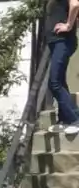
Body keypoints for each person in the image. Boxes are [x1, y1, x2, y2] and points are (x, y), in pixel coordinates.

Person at [49, 0, 79, 136]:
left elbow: (75, 4)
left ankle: (75, 119)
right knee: (60, 81)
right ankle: (64, 119)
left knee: (54, 82)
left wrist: (68, 25)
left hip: (63, 41)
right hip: (56, 42)